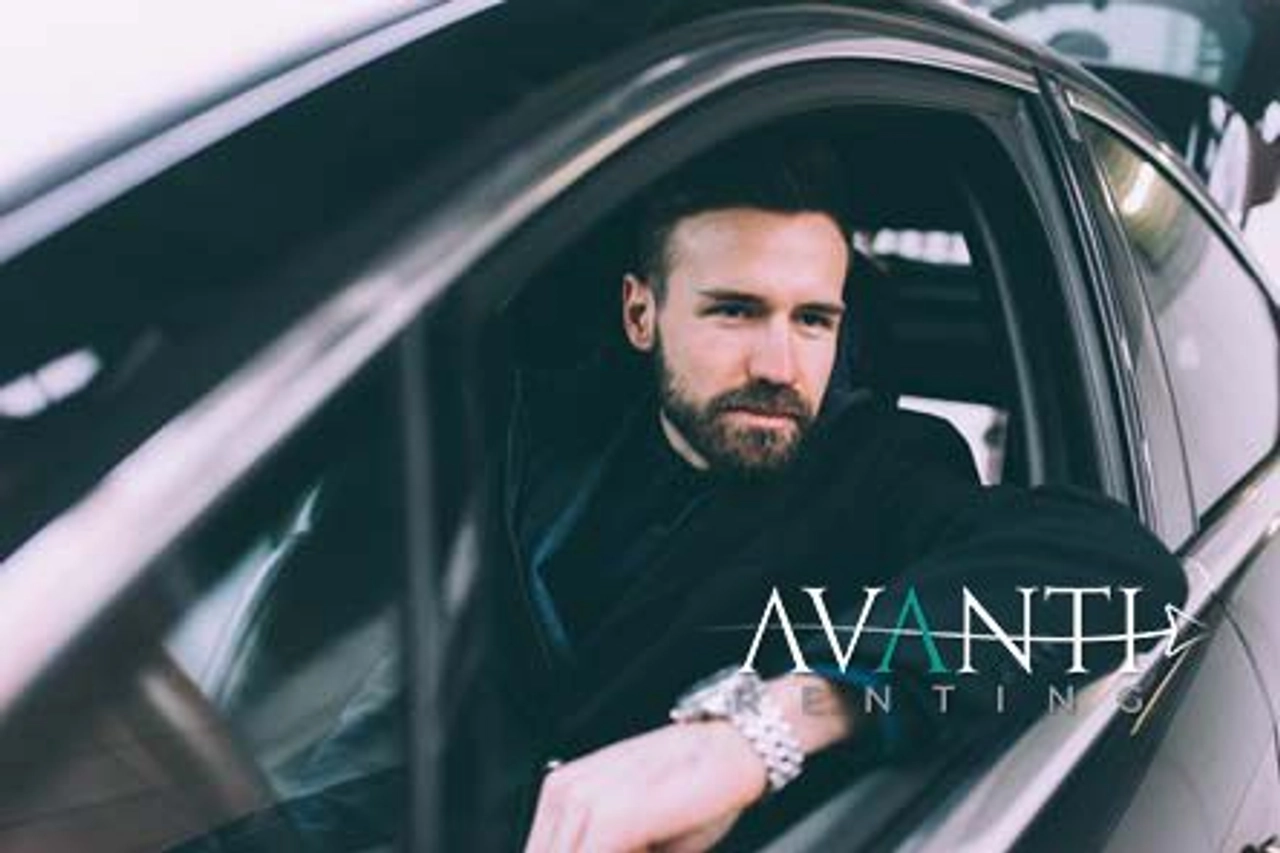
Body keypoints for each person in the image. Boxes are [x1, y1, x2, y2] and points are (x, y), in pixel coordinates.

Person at [500, 130, 1188, 852]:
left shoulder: (882, 472)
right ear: (640, 315)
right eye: (735, 310)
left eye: (812, 320)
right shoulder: (539, 439)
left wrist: (763, 728)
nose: (778, 366)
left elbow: (1117, 565)